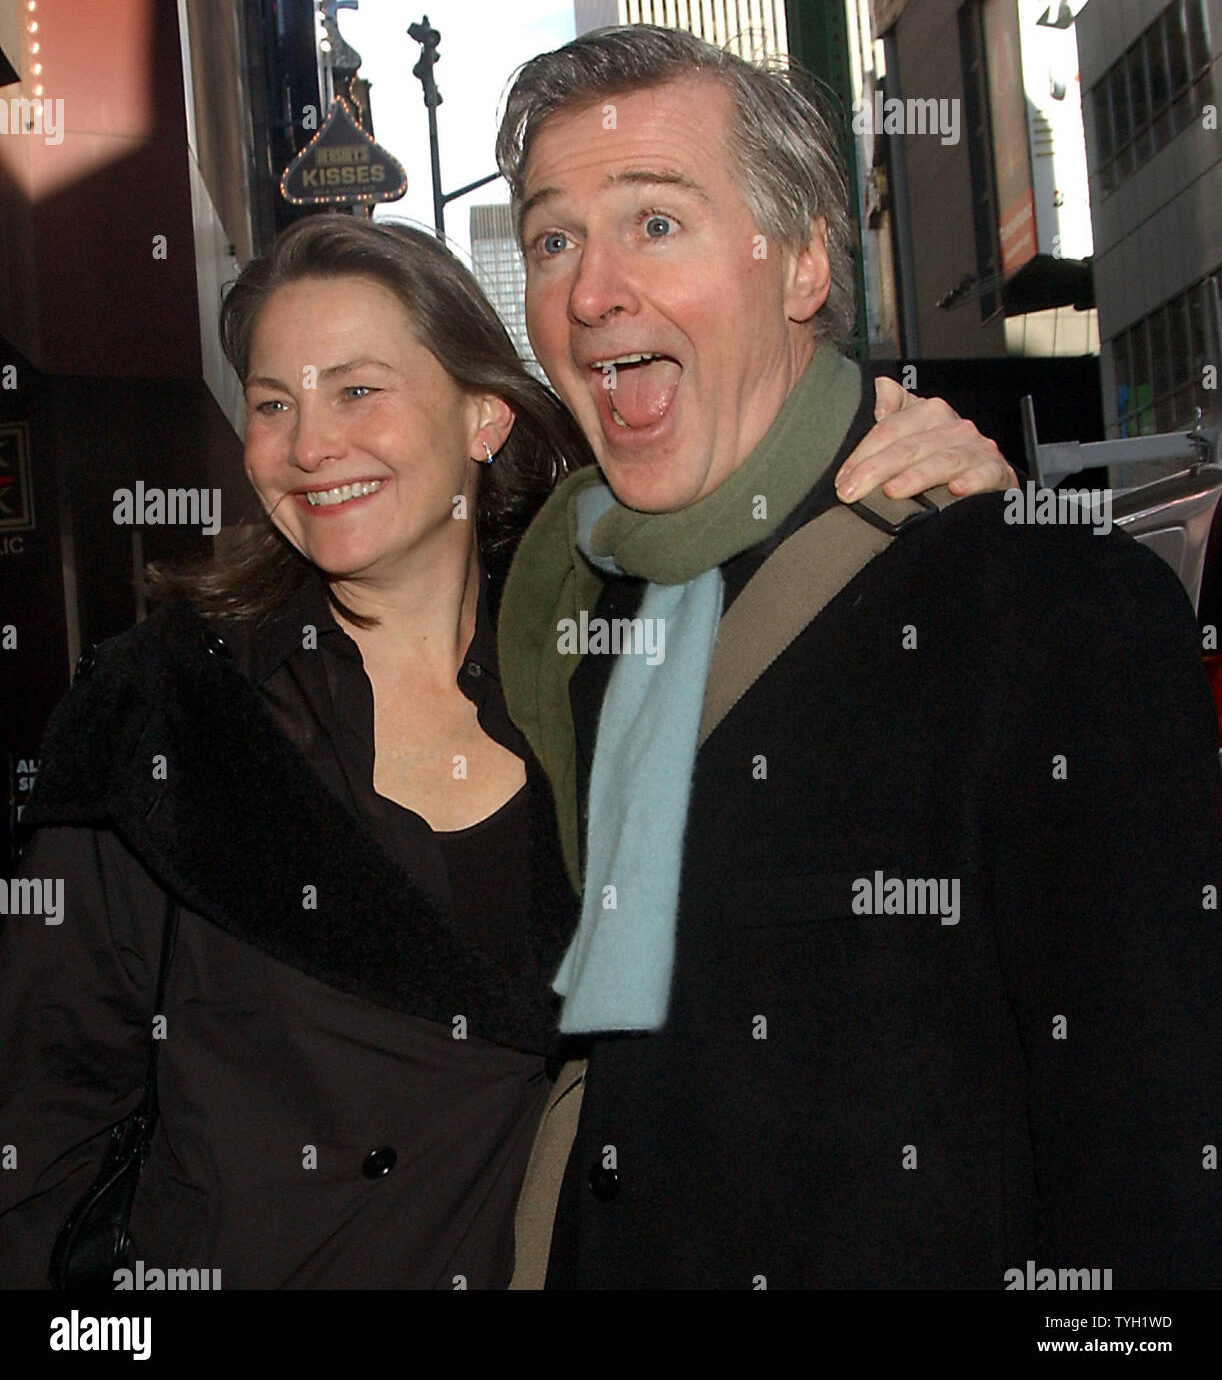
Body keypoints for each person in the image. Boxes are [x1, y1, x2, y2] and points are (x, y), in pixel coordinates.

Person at [0, 213, 1011, 1289]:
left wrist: (962, 498)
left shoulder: (617, 677)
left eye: (356, 390)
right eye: (271, 403)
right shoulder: (163, 710)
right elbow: (41, 1115)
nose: (308, 445)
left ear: (483, 415)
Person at [492, 25, 1222, 1288]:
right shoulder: (559, 622)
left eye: (655, 223)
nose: (592, 289)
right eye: (554, 239)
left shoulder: (1044, 606)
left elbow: (1154, 1168)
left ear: (806, 264)